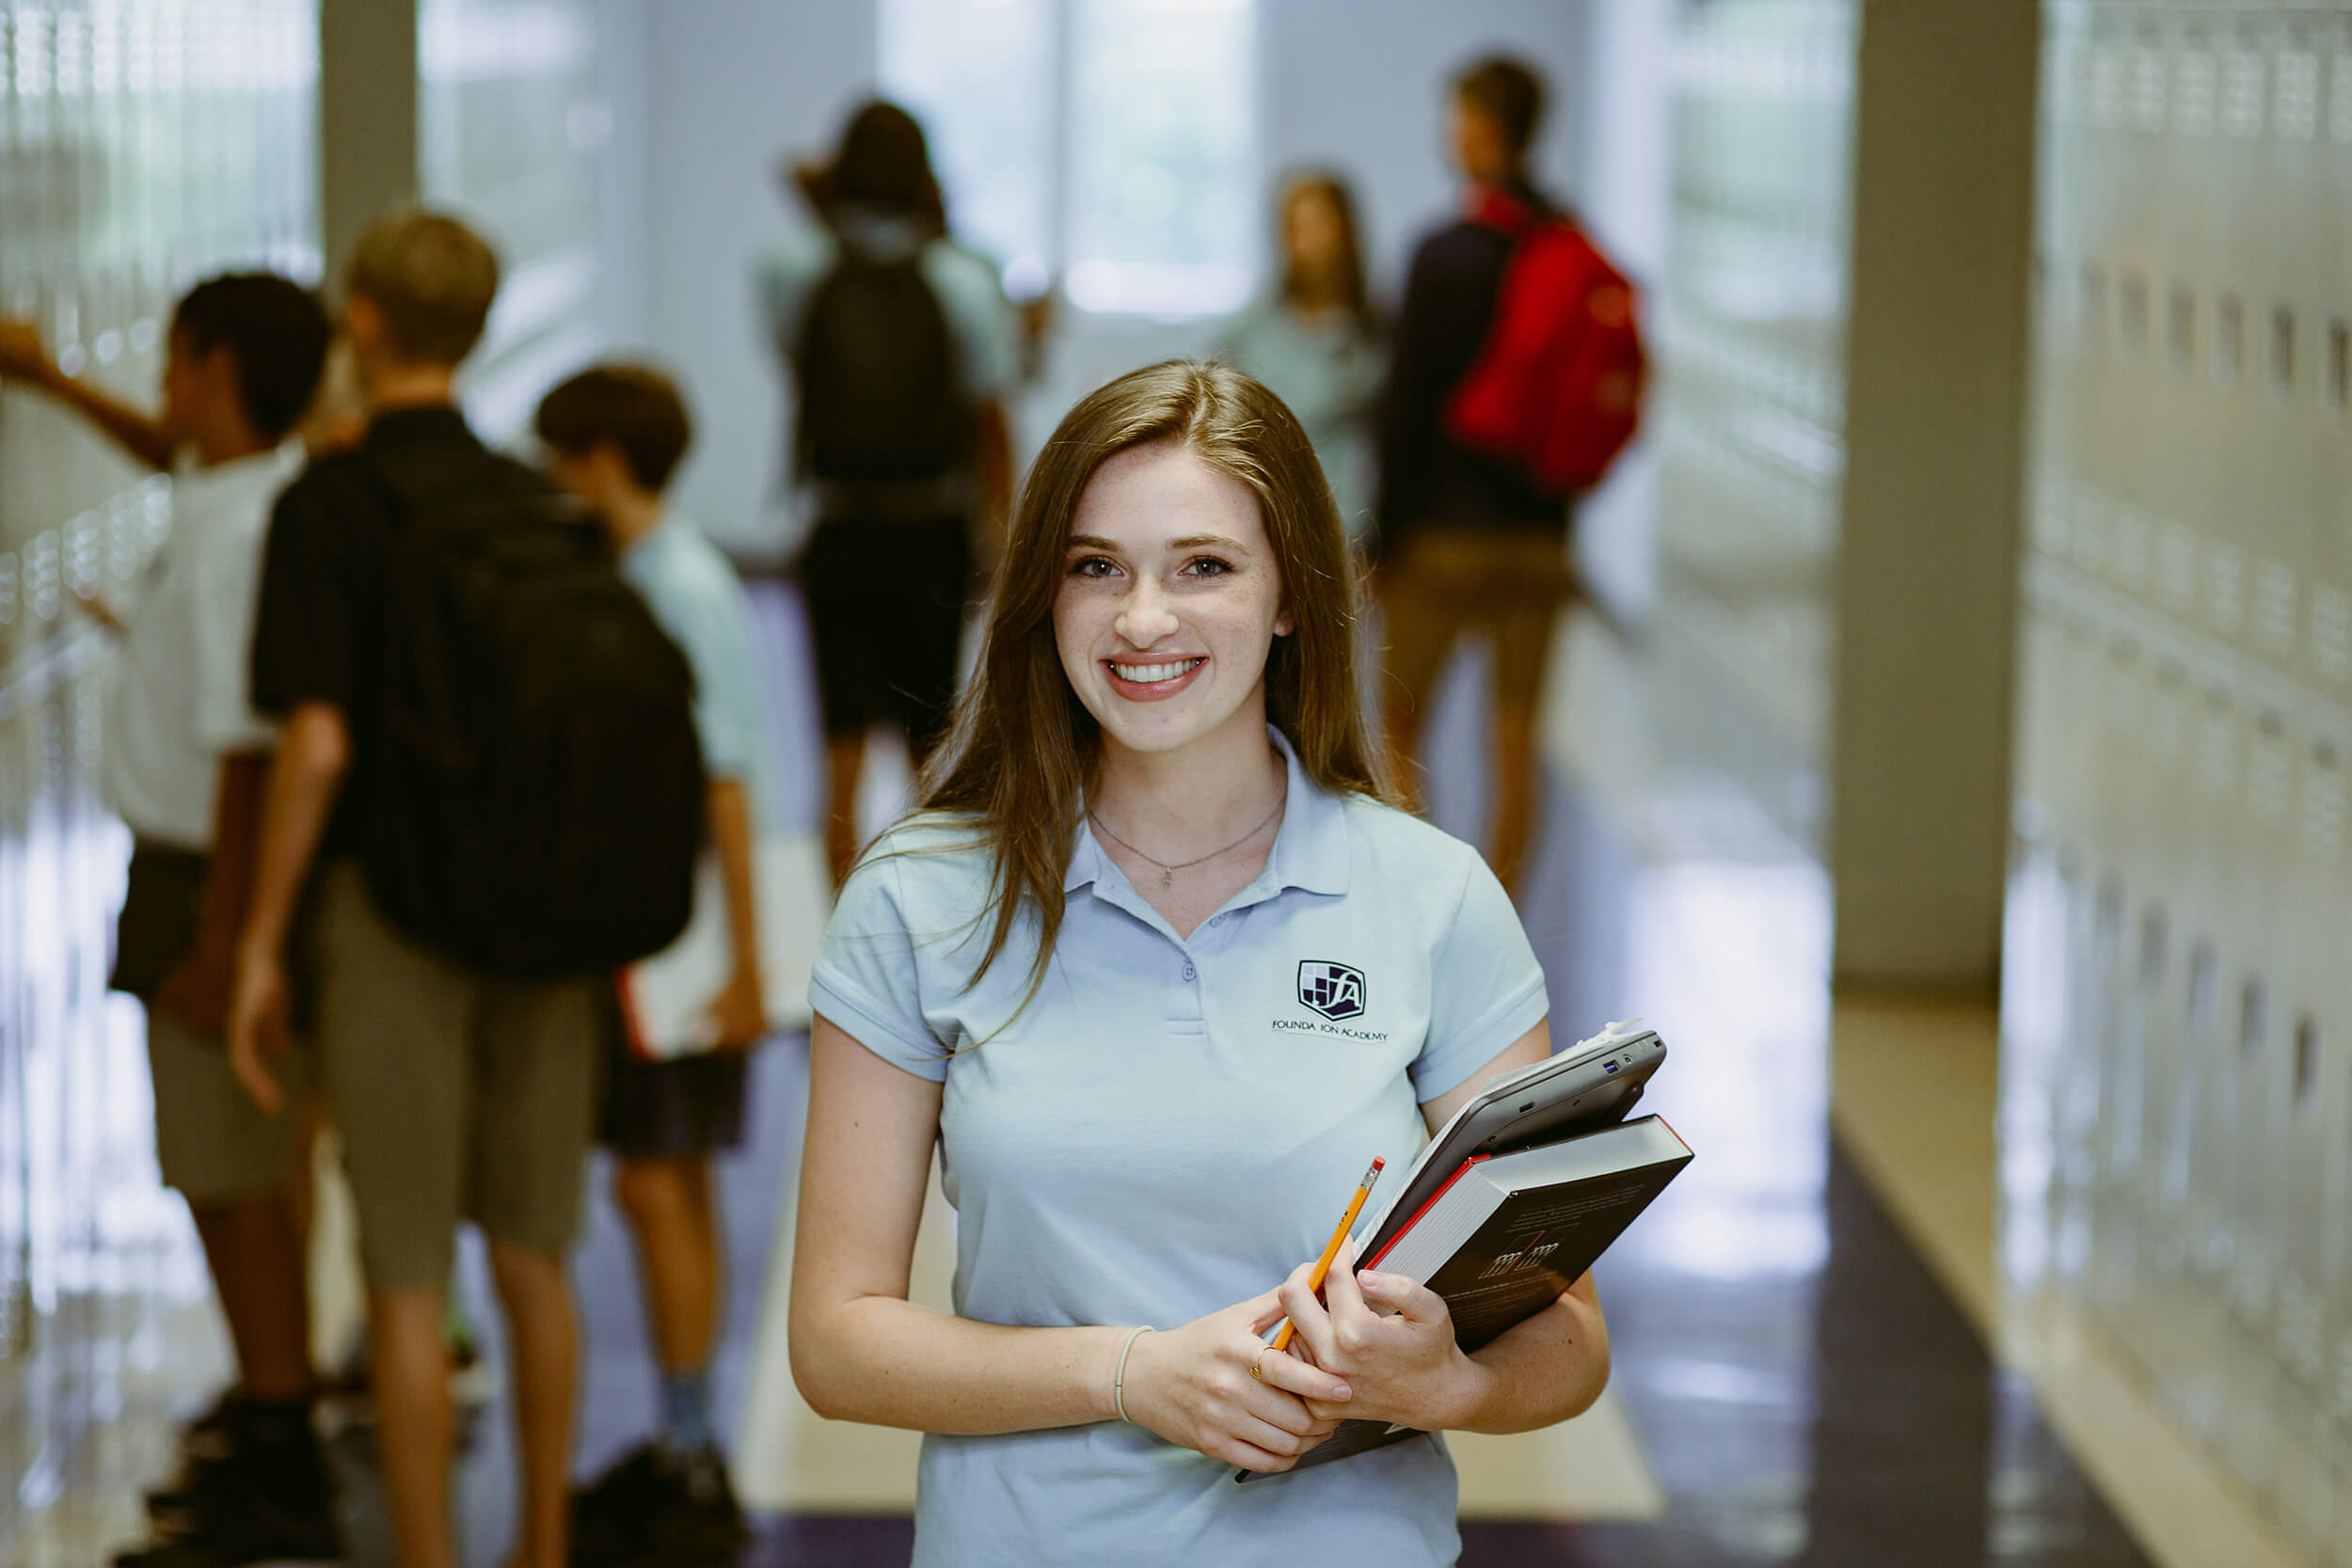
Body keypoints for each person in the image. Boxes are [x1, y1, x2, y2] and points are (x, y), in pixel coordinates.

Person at [789, 360, 1610, 1567]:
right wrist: (1135, 1374)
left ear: (1289, 596)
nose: (1141, 620)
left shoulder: (1429, 897)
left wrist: (1445, 1381)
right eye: (1094, 566)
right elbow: (835, 1336)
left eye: (1203, 566)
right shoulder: (921, 896)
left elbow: (1572, 1340)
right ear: (1043, 593)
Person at [225, 210, 601, 1568]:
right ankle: (545, 1543)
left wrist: (264, 939)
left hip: (391, 917)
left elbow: (316, 740)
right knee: (536, 1253)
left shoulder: (326, 500)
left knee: (404, 1271)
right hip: (543, 924)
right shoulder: (536, 499)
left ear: (364, 322)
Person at [0, 278, 336, 1568]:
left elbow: (249, 746)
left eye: (173, 359)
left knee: (226, 1174)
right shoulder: (240, 498)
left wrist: (223, 941)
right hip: (195, 870)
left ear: (213, 370)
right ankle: (271, 1410)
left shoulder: (236, 531)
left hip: (208, 880)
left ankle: (281, 1447)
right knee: (227, 1171)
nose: (160, 381)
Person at [533, 363, 772, 1562]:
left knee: (658, 1178)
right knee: (655, 1179)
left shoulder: (681, 585)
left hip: (684, 940)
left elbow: (728, 776)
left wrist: (745, 953)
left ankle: (690, 1444)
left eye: (557, 459)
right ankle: (686, 1437)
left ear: (601, 462)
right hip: (658, 931)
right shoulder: (639, 574)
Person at [759, 99, 1020, 888]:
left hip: (836, 526)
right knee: (929, 749)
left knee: (837, 753)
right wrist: (1002, 538)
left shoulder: (793, 271)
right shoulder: (962, 281)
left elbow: (793, 358)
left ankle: (842, 933)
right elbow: (990, 417)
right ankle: (931, 921)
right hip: (930, 529)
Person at [1375, 55, 1575, 894]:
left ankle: (1429, 903)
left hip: (1445, 543)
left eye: (1457, 117)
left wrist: (1385, 539)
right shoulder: (1569, 248)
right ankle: (1505, 910)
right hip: (1539, 540)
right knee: (1516, 739)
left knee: (1395, 725)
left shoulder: (1445, 253)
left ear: (1482, 130)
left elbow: (1407, 409)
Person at [1219, 171, 1385, 545]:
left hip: (1352, 527)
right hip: (1268, 520)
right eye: (1294, 227)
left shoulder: (1376, 332)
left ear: (1346, 232)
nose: (1306, 242)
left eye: (1317, 225)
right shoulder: (1251, 330)